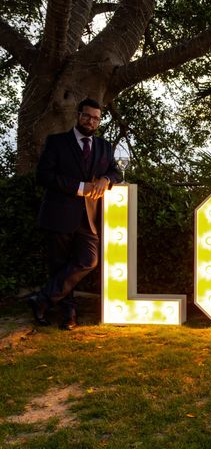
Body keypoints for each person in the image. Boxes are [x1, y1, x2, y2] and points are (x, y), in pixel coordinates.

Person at [28, 98, 122, 330]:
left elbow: (115, 171)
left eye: (96, 118)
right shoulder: (57, 142)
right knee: (60, 267)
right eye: (87, 116)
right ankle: (69, 315)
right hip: (58, 214)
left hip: (88, 218)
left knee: (89, 260)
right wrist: (80, 188)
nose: (91, 121)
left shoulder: (104, 147)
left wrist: (106, 179)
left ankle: (41, 300)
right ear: (78, 115)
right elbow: (43, 176)